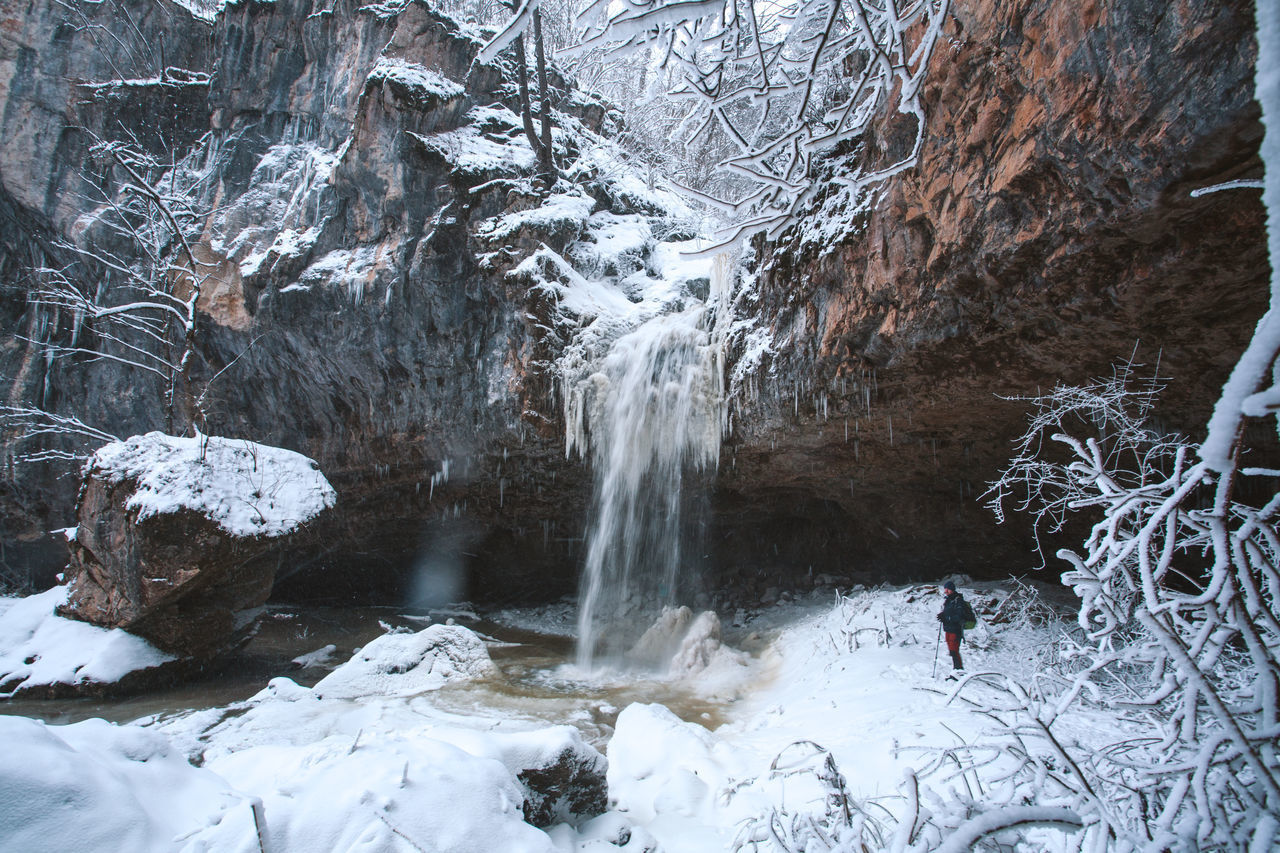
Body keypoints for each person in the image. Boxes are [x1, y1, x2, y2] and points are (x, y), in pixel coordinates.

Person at [936, 581, 971, 671]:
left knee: (954, 651)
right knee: (952, 651)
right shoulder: (949, 600)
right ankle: (957, 670)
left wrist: (946, 618)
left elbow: (958, 616)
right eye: (945, 589)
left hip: (955, 629)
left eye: (948, 589)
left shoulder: (958, 600)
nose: (946, 591)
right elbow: (949, 612)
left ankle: (959, 671)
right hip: (948, 629)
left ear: (952, 589)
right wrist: (942, 615)